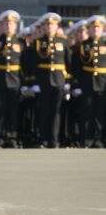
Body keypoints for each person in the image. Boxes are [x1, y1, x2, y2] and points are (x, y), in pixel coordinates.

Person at [28, 13, 71, 148]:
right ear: (45, 27)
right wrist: (34, 82)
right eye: (47, 25)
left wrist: (68, 82)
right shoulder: (38, 42)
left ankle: (54, 139)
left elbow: (68, 63)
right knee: (44, 110)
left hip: (59, 80)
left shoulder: (64, 41)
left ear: (57, 26)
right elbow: (33, 64)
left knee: (56, 111)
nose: (50, 27)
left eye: (52, 25)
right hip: (43, 80)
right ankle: (44, 138)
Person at [0, 10, 25, 148]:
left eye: (11, 23)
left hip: (15, 80)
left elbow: (24, 64)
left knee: (13, 110)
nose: (9, 26)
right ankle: (0, 137)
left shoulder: (21, 42)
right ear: (1, 26)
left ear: (16, 26)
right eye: (6, 23)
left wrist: (25, 83)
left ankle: (11, 137)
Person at [73, 15, 106, 148]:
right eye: (93, 28)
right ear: (89, 30)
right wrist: (76, 84)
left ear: (102, 29)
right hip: (87, 82)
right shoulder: (83, 46)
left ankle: (98, 139)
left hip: (103, 83)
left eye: (98, 27)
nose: (96, 30)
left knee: (100, 113)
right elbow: (78, 68)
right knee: (87, 112)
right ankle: (87, 139)